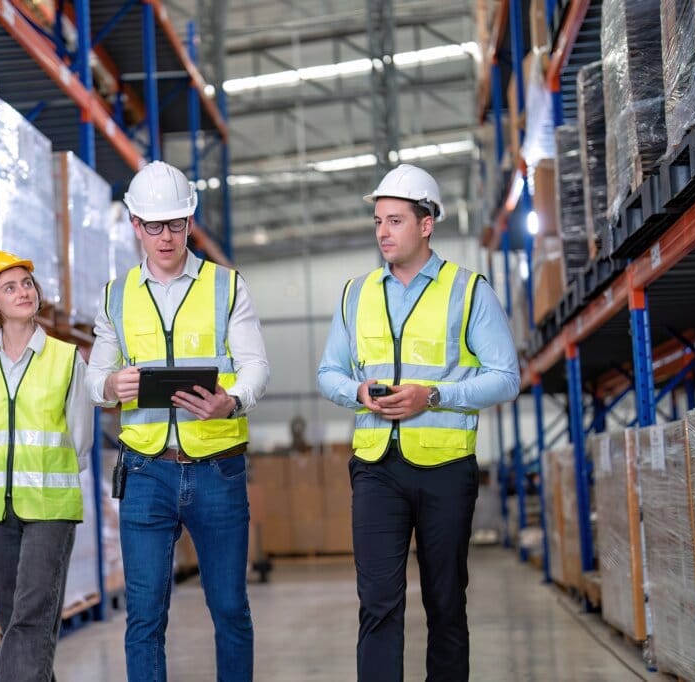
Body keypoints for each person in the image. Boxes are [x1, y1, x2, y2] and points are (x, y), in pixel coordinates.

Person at [317, 164, 520, 681]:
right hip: (376, 468)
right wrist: (357, 391)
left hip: (445, 469)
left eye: (395, 220)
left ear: (426, 224)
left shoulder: (468, 290)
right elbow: (328, 373)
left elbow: (506, 377)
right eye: (379, 221)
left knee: (445, 602)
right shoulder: (355, 294)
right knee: (378, 603)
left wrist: (433, 395)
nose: (383, 232)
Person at [86, 160, 269, 682]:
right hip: (146, 473)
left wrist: (229, 401)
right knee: (144, 617)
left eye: (175, 224)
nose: (165, 237)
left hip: (218, 471)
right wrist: (109, 386)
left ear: (190, 221)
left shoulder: (227, 287)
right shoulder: (114, 296)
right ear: (134, 225)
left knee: (230, 610)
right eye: (152, 225)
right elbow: (94, 376)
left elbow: (256, 365)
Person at [0, 250, 92, 682]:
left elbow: (81, 437)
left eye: (28, 284)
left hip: (50, 508)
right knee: (19, 622)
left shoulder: (67, 359)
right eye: (10, 286)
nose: (24, 292)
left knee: (30, 619)